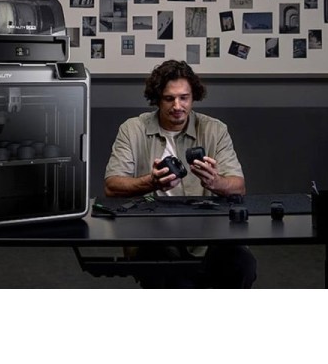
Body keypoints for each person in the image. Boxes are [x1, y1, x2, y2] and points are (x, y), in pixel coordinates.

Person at [104, 59, 257, 288]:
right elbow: (112, 186)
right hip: (154, 233)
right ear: (157, 99)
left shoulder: (215, 129)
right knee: (172, 276)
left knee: (243, 264)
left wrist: (215, 181)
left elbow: (239, 186)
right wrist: (152, 182)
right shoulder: (132, 129)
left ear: (193, 97)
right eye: (169, 98)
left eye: (184, 98)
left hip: (207, 233)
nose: (177, 106)